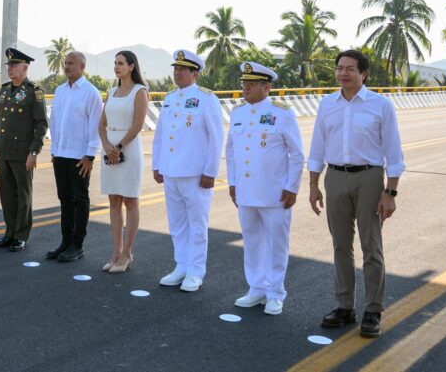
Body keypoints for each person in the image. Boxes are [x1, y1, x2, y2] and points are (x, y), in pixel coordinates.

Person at [308, 49, 405, 338]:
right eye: (340, 68)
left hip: (369, 178)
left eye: (350, 69)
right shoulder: (327, 104)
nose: (343, 73)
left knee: (371, 246)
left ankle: (373, 309)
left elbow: (393, 152)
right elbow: (317, 147)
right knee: (340, 246)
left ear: (363, 73)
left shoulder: (380, 105)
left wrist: (390, 192)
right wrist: (313, 184)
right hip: (335, 177)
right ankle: (344, 307)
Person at [226, 62, 304, 315]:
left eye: (252, 84)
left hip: (275, 192)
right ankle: (256, 289)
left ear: (266, 87)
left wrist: (292, 187)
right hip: (246, 190)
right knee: (252, 242)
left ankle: (275, 292)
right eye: (244, 83)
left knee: (276, 244)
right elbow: (231, 152)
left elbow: (296, 154)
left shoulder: (282, 113)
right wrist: (233, 183)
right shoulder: (237, 114)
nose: (246, 88)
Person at [151, 49, 224, 293]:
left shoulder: (206, 98)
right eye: (175, 68)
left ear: (196, 74)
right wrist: (157, 165)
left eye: (182, 69)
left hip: (195, 173)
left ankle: (195, 271)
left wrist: (211, 171)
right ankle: (181, 265)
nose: (177, 72)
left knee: (197, 223)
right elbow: (160, 135)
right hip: (171, 170)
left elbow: (216, 138)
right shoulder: (170, 98)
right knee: (178, 223)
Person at [46, 51, 103, 262]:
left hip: (80, 157)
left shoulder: (91, 92)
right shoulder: (60, 91)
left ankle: (77, 245)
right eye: (65, 63)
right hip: (61, 153)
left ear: (82, 67)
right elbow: (55, 122)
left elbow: (95, 125)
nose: (67, 67)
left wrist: (90, 156)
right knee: (64, 199)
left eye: (71, 63)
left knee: (80, 199)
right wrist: (54, 149)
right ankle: (65, 242)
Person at [0, 47, 48, 252]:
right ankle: (9, 233)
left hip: (23, 152)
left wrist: (34, 152)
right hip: (5, 150)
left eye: (14, 66)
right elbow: (1, 122)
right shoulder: (4, 90)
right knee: (7, 194)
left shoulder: (34, 91)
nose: (10, 69)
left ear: (25, 67)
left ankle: (21, 235)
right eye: (9, 66)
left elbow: (41, 124)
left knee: (23, 195)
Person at [98, 50, 149, 273]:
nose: (116, 67)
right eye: (115, 63)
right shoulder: (111, 92)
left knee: (130, 200)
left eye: (121, 63)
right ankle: (116, 251)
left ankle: (127, 252)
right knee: (114, 200)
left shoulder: (140, 91)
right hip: (109, 148)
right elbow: (101, 124)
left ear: (131, 66)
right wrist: (107, 145)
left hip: (128, 149)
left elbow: (138, 125)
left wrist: (118, 147)